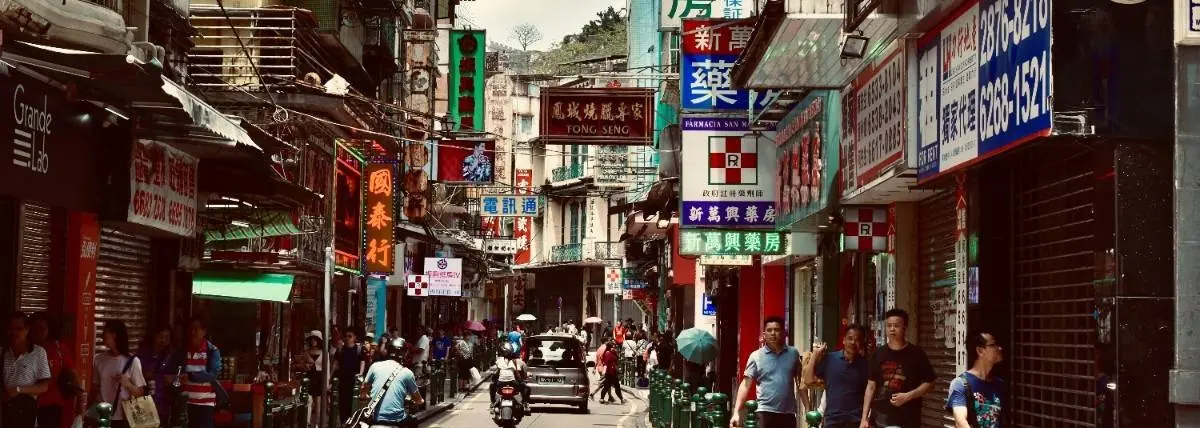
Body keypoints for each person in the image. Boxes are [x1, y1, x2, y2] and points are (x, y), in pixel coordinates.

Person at [860, 309, 935, 428]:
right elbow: (870, 387)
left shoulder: (916, 354)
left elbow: (930, 383)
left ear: (904, 328)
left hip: (908, 419)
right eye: (889, 325)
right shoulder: (877, 354)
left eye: (896, 326)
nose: (892, 329)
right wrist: (864, 418)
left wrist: (908, 396)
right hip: (880, 419)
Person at [731, 316, 800, 428]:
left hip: (788, 413)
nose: (773, 333)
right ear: (764, 334)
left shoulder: (793, 354)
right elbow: (745, 384)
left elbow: (800, 383)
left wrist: (808, 409)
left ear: (784, 333)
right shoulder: (756, 356)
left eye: (777, 330)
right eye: (769, 330)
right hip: (764, 412)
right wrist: (736, 412)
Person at [803, 324, 869, 428]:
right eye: (850, 338)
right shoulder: (830, 359)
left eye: (857, 340)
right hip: (833, 421)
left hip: (856, 421)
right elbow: (808, 380)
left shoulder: (866, 365)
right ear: (843, 340)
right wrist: (815, 355)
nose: (853, 342)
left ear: (861, 343)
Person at [91, 320, 148, 428]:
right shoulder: (99, 359)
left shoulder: (132, 361)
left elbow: (140, 393)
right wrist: (88, 412)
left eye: (105, 331)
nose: (102, 334)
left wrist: (128, 384)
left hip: (124, 418)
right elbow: (94, 389)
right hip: (102, 416)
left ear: (114, 335)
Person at [360, 338, 424, 428]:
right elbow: (418, 399)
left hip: (374, 420)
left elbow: (363, 388)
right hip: (396, 421)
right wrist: (420, 401)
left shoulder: (375, 366)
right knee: (413, 421)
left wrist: (364, 396)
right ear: (403, 353)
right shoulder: (407, 373)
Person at [2, 312, 51, 428]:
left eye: (19, 329)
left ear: (27, 329)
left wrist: (19, 390)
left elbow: (44, 386)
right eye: (11, 329)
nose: (14, 333)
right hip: (5, 411)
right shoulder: (2, 353)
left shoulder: (38, 353)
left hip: (26, 411)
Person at [947, 331, 1004, 428]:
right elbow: (961, 422)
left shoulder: (999, 384)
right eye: (993, 345)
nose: (999, 348)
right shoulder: (961, 383)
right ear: (980, 351)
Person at [31, 312, 77, 428]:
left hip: (52, 403)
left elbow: (72, 372)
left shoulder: (58, 347)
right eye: (35, 328)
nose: (38, 331)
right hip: (29, 402)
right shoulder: (26, 348)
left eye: (42, 328)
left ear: (49, 329)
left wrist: (79, 398)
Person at [178, 316, 223, 428]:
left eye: (196, 329)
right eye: (191, 329)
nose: (193, 332)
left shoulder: (212, 351)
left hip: (205, 404)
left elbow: (212, 375)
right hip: (186, 404)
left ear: (204, 331)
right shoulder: (183, 350)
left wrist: (190, 376)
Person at [137, 325, 176, 424]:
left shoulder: (171, 356)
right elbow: (139, 373)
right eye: (160, 337)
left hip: (163, 405)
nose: (163, 341)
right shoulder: (144, 352)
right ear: (154, 337)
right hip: (144, 402)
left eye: (166, 338)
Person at [334, 327, 365, 422]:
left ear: (354, 337)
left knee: (354, 402)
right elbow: (335, 364)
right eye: (346, 336)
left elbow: (362, 362)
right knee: (343, 402)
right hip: (342, 380)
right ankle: (344, 421)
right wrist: (329, 377)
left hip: (354, 380)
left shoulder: (359, 349)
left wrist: (360, 374)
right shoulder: (341, 349)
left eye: (350, 336)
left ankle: (353, 421)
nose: (347, 338)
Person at [490, 342, 529, 412]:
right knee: (525, 387)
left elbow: (496, 372)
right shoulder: (516, 361)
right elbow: (518, 373)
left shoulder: (499, 360)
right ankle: (525, 403)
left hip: (500, 383)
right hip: (512, 382)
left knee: (492, 386)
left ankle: (492, 403)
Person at [598, 340, 624, 404]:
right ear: (610, 347)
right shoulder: (607, 353)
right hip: (610, 373)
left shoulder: (612, 352)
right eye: (613, 346)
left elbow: (616, 359)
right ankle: (602, 398)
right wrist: (604, 372)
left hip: (613, 372)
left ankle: (621, 399)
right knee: (607, 386)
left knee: (614, 386)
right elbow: (606, 363)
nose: (614, 347)